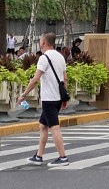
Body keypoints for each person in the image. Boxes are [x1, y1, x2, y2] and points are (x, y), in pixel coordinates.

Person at [17, 32, 69, 166]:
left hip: (49, 99)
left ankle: (63, 157)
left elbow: (35, 79)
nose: (40, 42)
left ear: (44, 42)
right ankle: (39, 156)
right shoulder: (60, 56)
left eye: (40, 39)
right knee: (43, 125)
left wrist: (24, 94)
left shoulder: (44, 58)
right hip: (57, 97)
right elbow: (65, 79)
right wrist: (64, 97)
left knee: (54, 128)